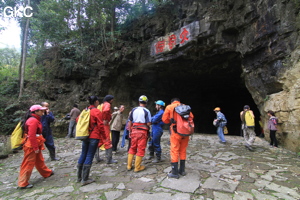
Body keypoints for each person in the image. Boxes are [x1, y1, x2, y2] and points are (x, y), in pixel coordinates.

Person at [18, 105, 54, 189]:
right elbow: (31, 135)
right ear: (35, 112)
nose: (42, 112)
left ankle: (46, 172)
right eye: (41, 111)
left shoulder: (34, 119)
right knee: (28, 163)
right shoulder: (33, 121)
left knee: (39, 160)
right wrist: (35, 147)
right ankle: (23, 183)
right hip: (31, 145)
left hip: (34, 143)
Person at [77, 96, 106, 186]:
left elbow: (78, 119)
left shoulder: (85, 110)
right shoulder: (96, 111)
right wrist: (104, 136)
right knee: (89, 155)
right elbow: (101, 125)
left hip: (85, 135)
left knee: (83, 154)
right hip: (94, 136)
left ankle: (79, 177)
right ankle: (85, 179)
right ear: (96, 102)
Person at [162, 98, 194, 179]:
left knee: (174, 150)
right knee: (183, 150)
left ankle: (175, 172)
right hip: (185, 132)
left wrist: (172, 119)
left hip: (175, 132)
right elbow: (191, 117)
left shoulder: (169, 107)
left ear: (172, 101)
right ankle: (182, 170)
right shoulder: (185, 106)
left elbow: (164, 120)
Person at [127, 95, 152, 172]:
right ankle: (137, 167)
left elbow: (130, 121)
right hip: (142, 132)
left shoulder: (133, 110)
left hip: (134, 130)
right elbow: (148, 123)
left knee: (132, 147)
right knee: (140, 149)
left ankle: (129, 166)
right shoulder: (147, 111)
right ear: (146, 103)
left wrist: (129, 131)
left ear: (139, 102)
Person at [98, 95, 117, 164]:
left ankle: (97, 158)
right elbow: (106, 110)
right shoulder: (107, 104)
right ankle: (109, 159)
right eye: (112, 99)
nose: (113, 101)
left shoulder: (101, 105)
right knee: (107, 141)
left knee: (99, 141)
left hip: (99, 125)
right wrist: (105, 119)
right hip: (105, 125)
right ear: (110, 99)